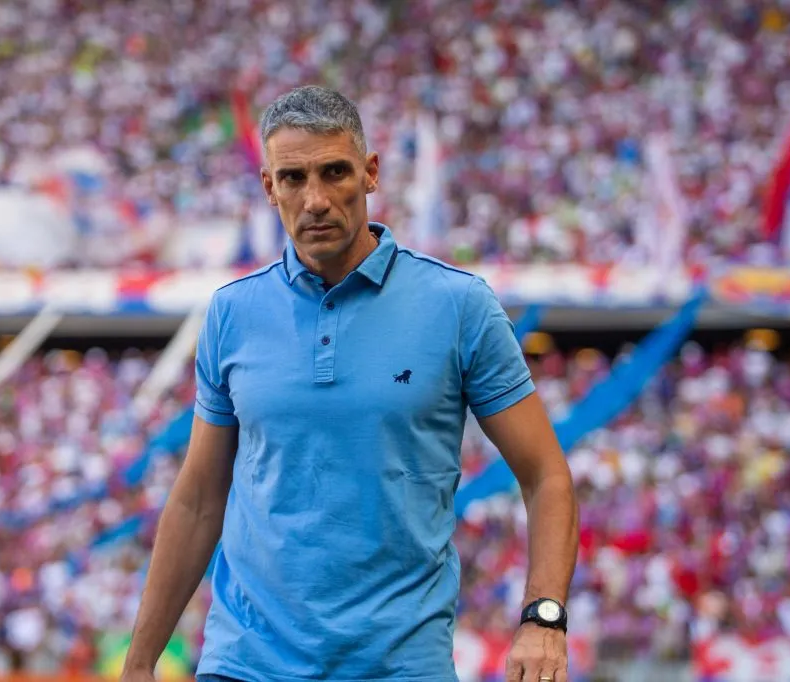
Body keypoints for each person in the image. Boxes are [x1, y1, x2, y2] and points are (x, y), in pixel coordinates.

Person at [121, 86, 579, 682]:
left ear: (370, 174)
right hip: (246, 663)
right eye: (292, 178)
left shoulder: (459, 306)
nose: (314, 200)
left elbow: (546, 475)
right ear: (269, 187)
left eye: (334, 172)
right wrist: (138, 662)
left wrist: (543, 620)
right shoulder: (231, 313)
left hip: (399, 666)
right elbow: (199, 498)